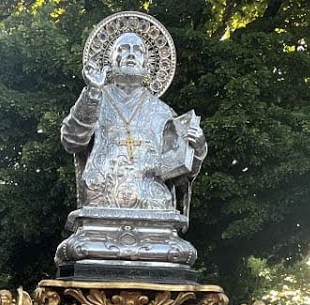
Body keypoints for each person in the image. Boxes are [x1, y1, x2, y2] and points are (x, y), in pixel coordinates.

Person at [61, 29, 206, 215]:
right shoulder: (95, 98)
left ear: (147, 61)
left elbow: (178, 175)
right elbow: (71, 141)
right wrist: (93, 92)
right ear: (111, 59)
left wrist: (198, 150)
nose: (130, 53)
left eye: (137, 50)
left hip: (153, 205)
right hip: (100, 202)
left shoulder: (163, 112)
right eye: (123, 48)